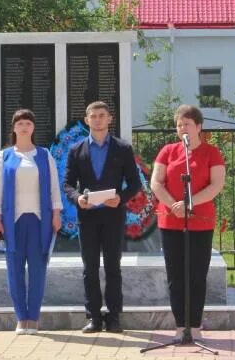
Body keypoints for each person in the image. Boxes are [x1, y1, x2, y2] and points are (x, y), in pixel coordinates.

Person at [63, 101, 141, 333]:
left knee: (112, 267)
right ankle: (94, 317)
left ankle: (114, 316)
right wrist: (77, 198)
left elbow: (135, 183)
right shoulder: (76, 150)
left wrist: (121, 197)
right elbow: (67, 184)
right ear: (86, 120)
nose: (97, 119)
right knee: (89, 268)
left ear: (110, 119)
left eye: (102, 115)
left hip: (113, 217)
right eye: (93, 116)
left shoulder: (122, 148)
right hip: (87, 218)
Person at [150, 104, 226, 340]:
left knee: (196, 275)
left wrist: (189, 203)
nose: (182, 128)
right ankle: (180, 327)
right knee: (175, 275)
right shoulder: (168, 151)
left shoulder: (212, 152)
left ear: (199, 127)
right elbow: (156, 182)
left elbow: (216, 185)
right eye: (179, 124)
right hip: (171, 221)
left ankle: (194, 327)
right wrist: (174, 204)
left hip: (200, 221)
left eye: (187, 124)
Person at [0, 109, 63, 335]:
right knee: (14, 269)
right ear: (14, 128)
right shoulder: (4, 156)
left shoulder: (44, 155)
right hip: (13, 221)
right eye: (20, 123)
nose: (24, 127)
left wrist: (56, 213)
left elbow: (54, 187)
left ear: (33, 128)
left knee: (38, 269)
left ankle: (34, 317)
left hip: (39, 221)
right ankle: (21, 317)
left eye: (28, 123)